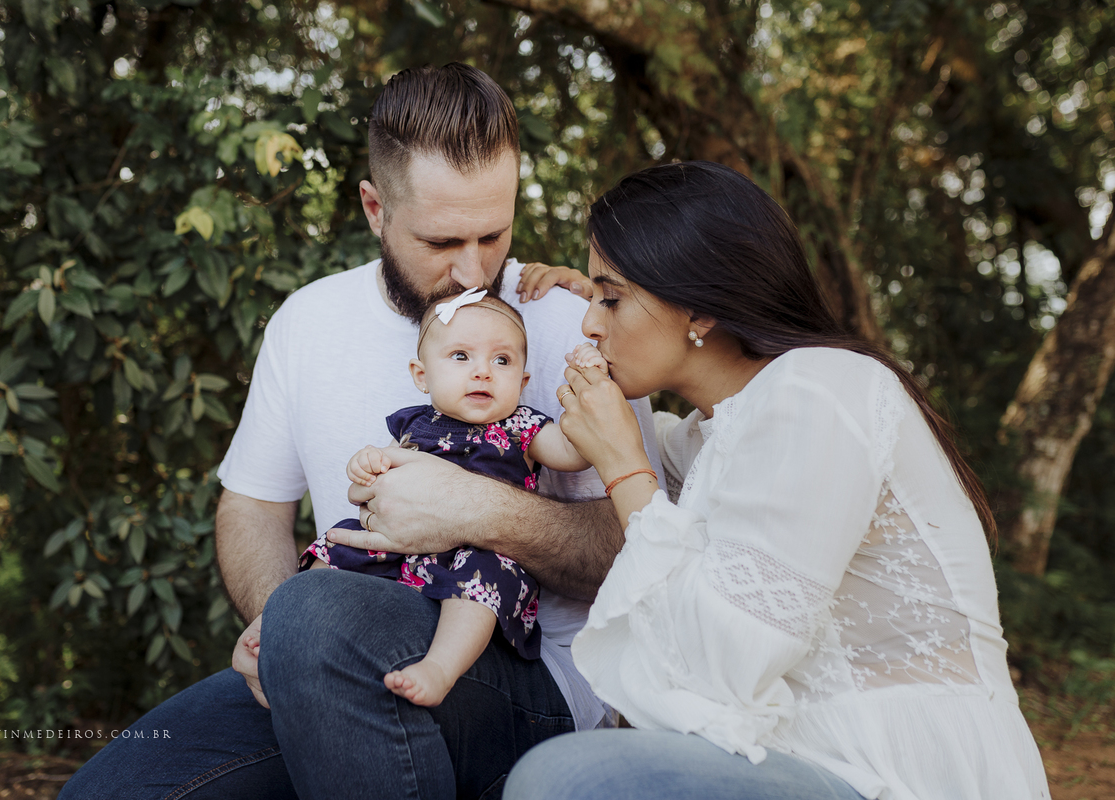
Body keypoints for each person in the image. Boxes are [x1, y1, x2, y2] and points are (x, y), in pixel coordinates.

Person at [58, 63, 662, 799]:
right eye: (441, 241)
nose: (473, 271)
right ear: (375, 208)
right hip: (330, 643)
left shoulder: (573, 323)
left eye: (493, 234)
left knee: (319, 617)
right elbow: (252, 506)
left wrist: (476, 510)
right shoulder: (307, 322)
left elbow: (640, 552)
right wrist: (278, 628)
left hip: (527, 674)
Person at [501, 161, 1051, 800]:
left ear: (699, 309)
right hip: (798, 760)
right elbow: (662, 457)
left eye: (612, 299)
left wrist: (624, 467)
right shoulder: (714, 434)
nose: (588, 325)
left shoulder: (819, 390)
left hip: (894, 772)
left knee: (568, 779)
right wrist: (569, 303)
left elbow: (714, 672)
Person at [286, 288, 592, 708]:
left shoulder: (524, 426)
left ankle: (440, 667)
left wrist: (588, 387)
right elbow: (381, 476)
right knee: (339, 540)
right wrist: (367, 462)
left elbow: (575, 453)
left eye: (502, 360)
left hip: (480, 549)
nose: (483, 372)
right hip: (402, 547)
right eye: (461, 356)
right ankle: (280, 623)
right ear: (422, 375)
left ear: (522, 382)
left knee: (486, 578)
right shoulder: (414, 422)